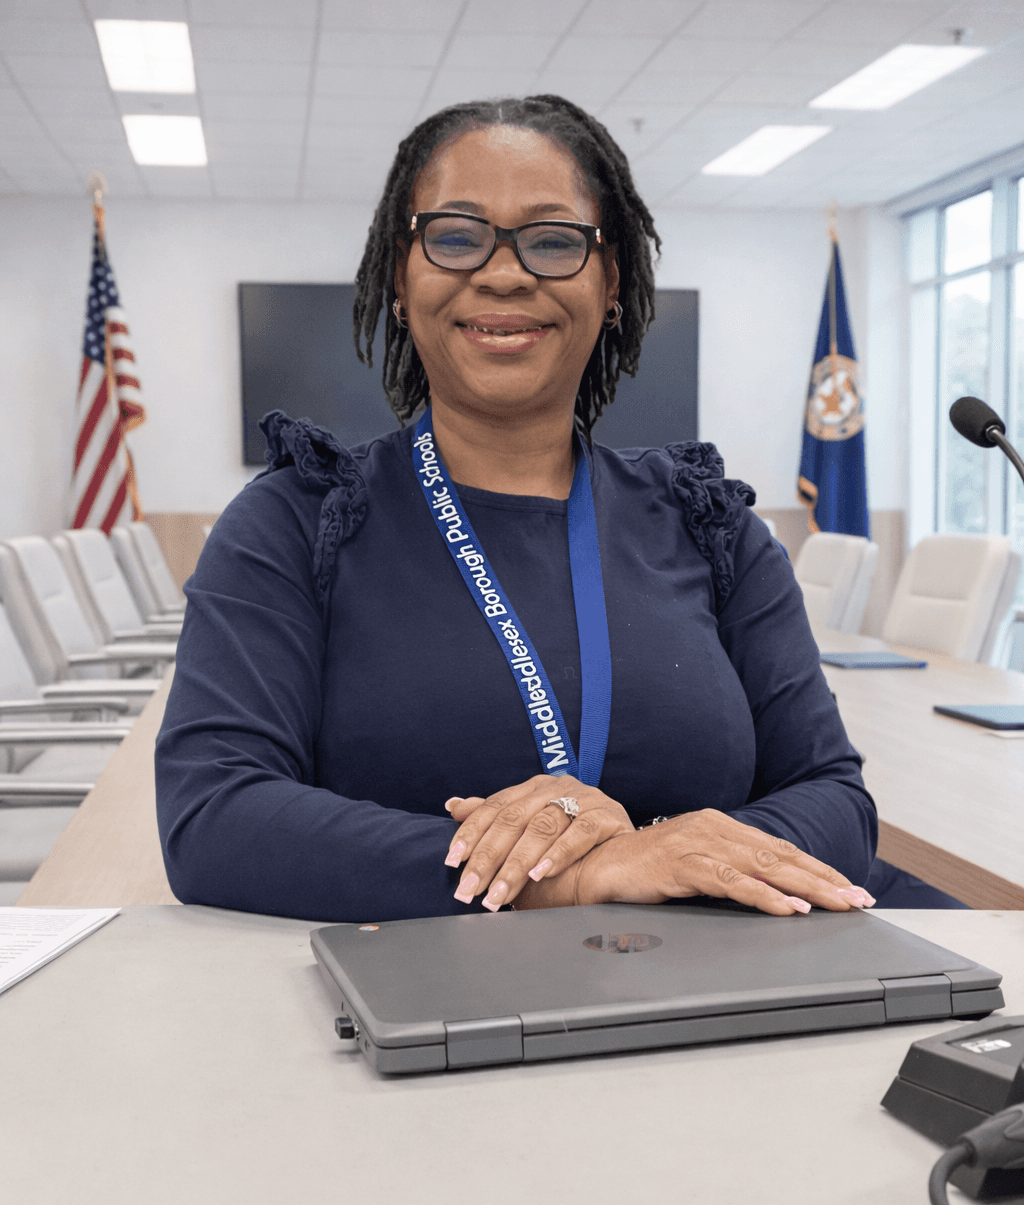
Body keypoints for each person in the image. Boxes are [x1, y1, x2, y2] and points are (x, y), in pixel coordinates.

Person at [156, 95, 877, 924]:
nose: (504, 272)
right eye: (456, 236)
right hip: (402, 1017)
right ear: (402, 274)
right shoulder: (294, 524)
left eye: (553, 240)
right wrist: (579, 877)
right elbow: (213, 818)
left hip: (713, 1003)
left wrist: (666, 852)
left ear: (611, 283)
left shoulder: (711, 529)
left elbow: (837, 804)